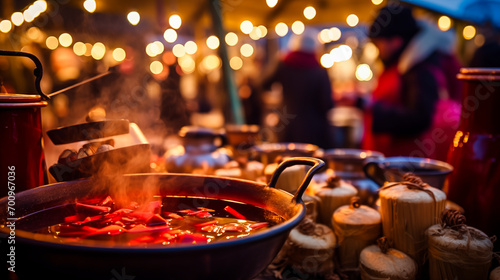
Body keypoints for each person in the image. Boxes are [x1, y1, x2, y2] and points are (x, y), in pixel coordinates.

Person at [363, 5, 462, 160]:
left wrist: (372, 108)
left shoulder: (420, 67)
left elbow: (420, 117)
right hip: (391, 159)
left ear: (395, 41)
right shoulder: (402, 63)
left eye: (379, 42)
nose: (378, 48)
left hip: (405, 163)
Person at [258, 29, 335, 149]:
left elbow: (263, 84)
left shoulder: (284, 65)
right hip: (315, 130)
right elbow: (327, 104)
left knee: (288, 163)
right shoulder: (319, 71)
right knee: (313, 165)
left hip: (287, 125)